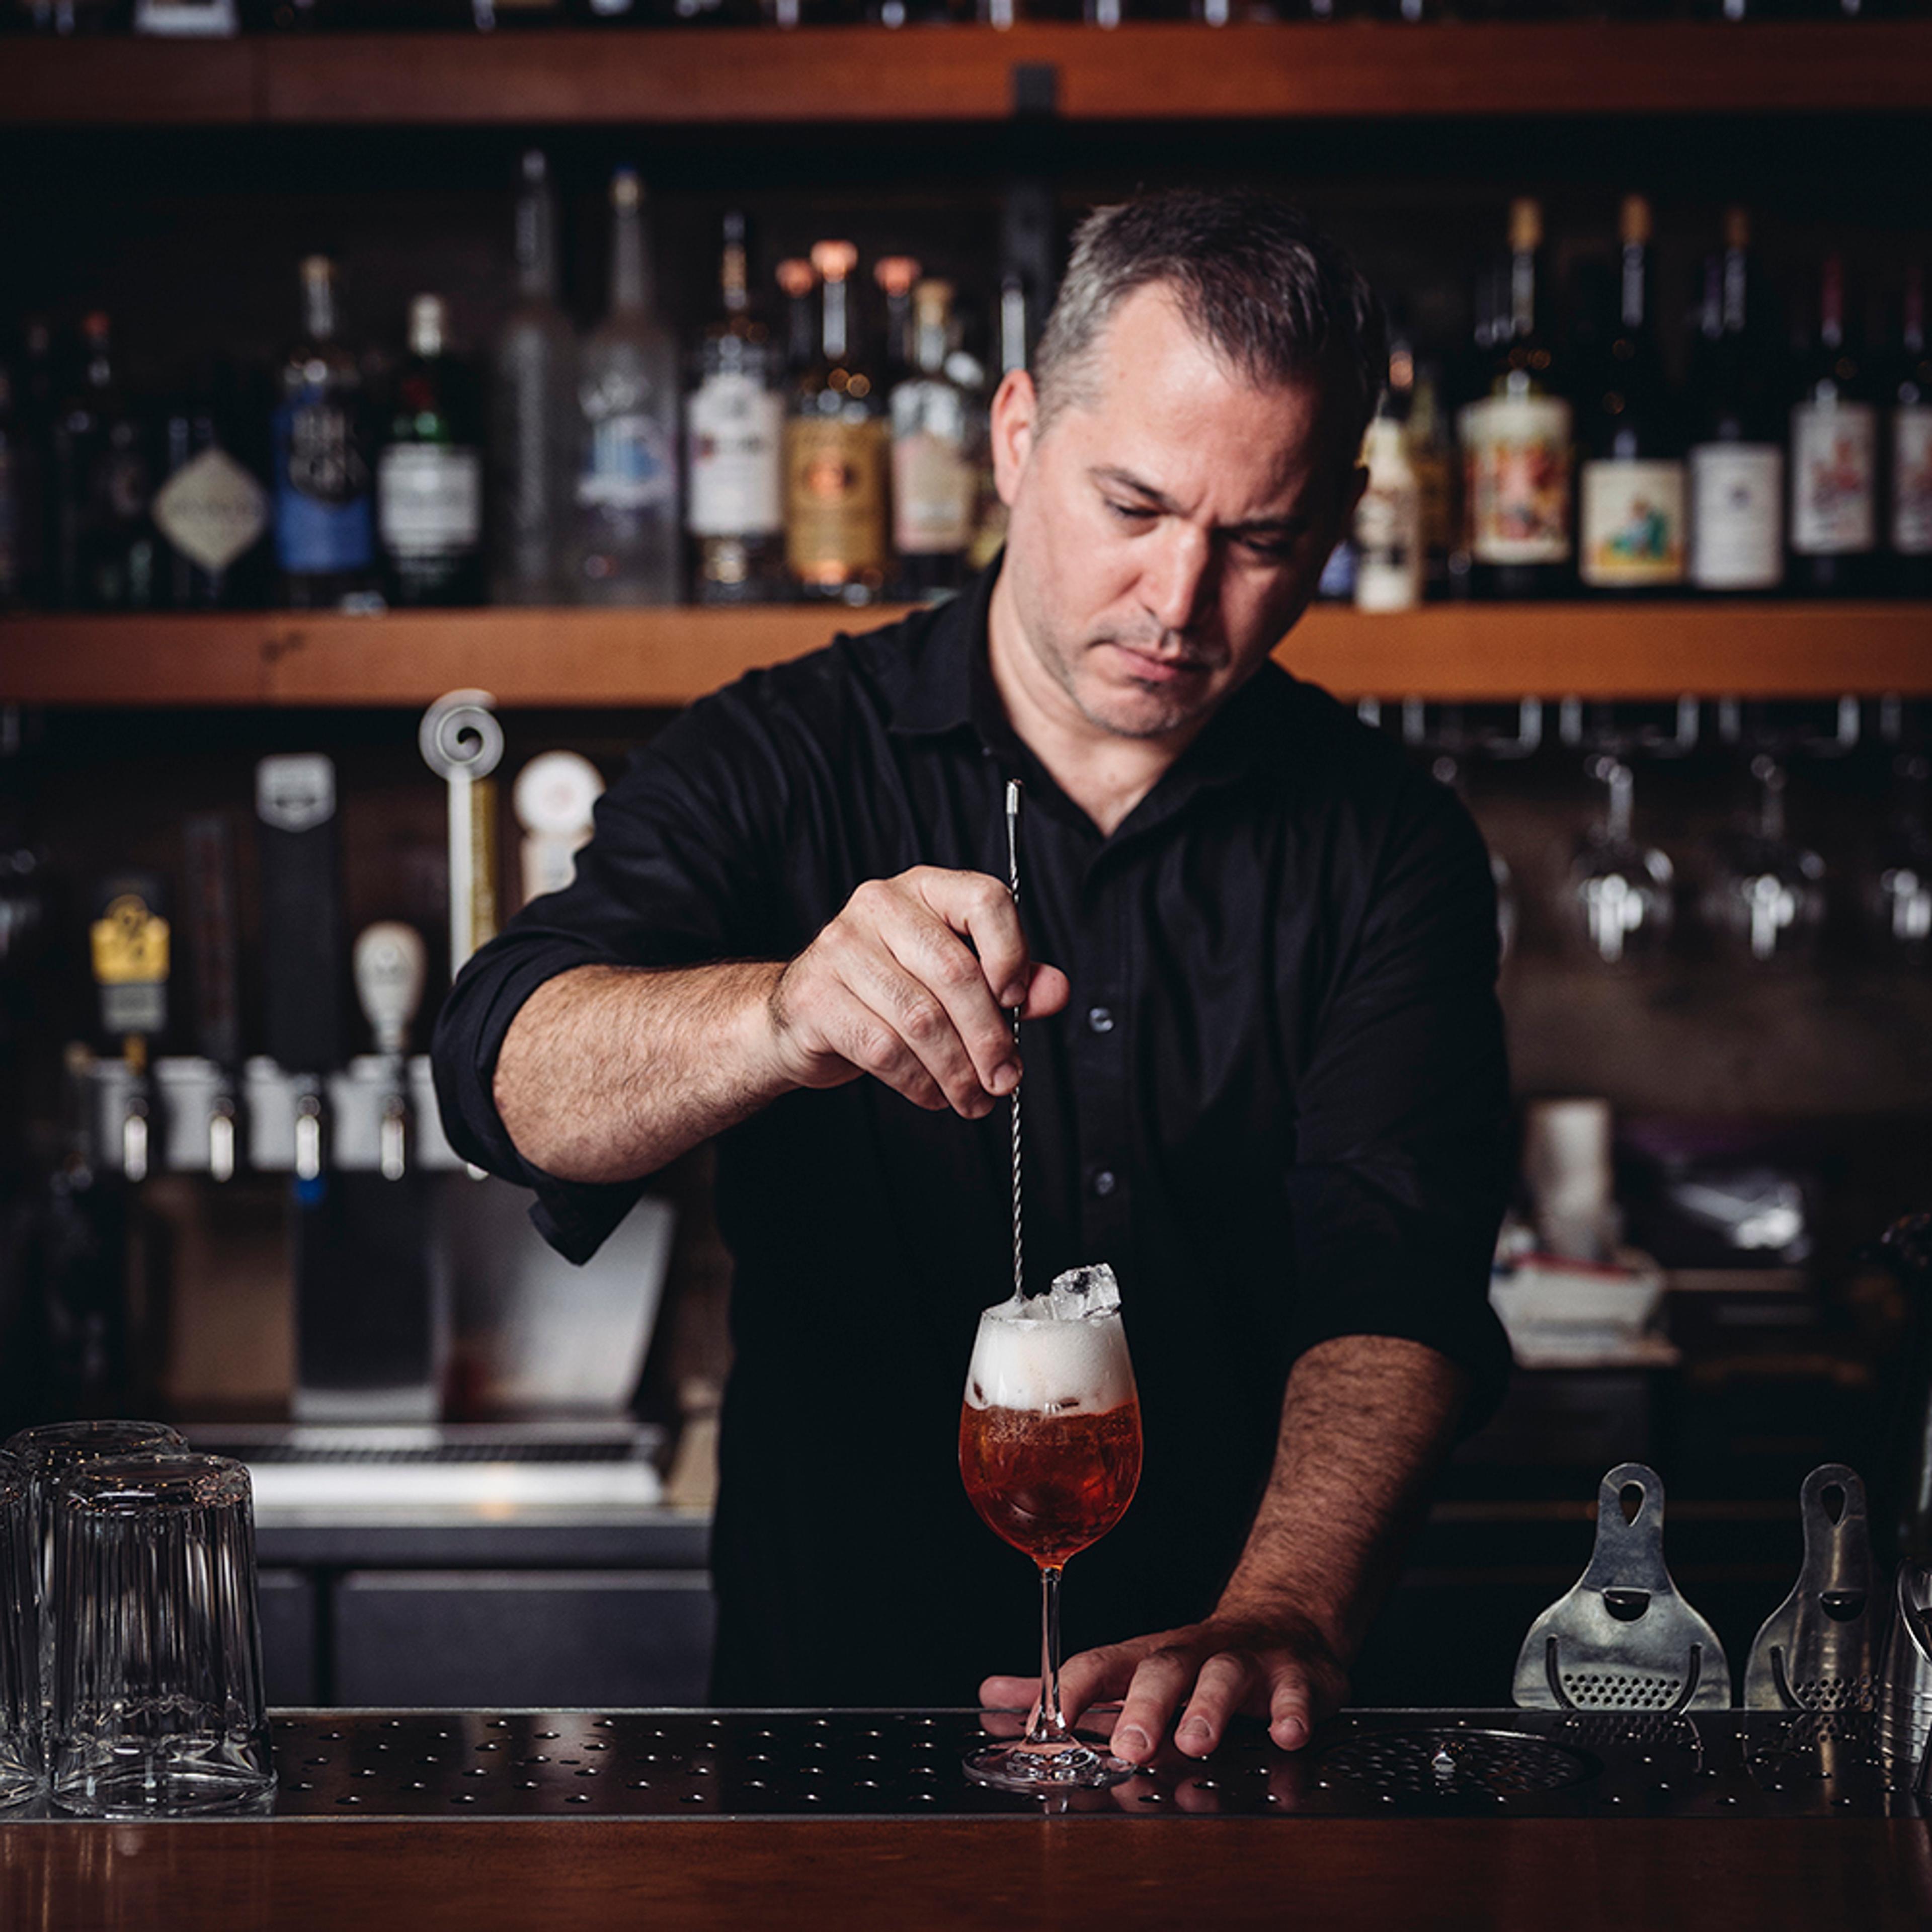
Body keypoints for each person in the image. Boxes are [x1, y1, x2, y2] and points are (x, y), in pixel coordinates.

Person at [432, 189, 1511, 1765]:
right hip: (833, 1720)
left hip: (1222, 1729)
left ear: (1342, 518)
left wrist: (1286, 1611)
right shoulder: (778, 756)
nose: (1179, 600)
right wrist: (777, 1013)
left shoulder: (1388, 839)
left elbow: (1397, 1274)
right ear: (1017, 436)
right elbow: (501, 1071)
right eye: (1132, 505)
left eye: (1261, 540)